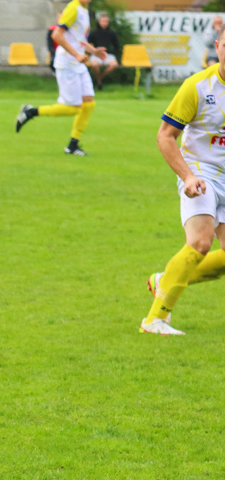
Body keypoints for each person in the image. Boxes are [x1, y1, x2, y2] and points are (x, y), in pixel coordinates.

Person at [140, 28, 225, 336]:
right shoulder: (198, 86)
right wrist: (187, 176)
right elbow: (165, 136)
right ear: (217, 47)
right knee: (201, 242)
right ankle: (154, 320)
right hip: (200, 173)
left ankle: (166, 280)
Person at [15, 0, 107, 156]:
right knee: (72, 108)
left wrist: (93, 51)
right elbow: (56, 35)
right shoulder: (73, 8)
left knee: (89, 104)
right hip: (67, 64)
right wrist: (76, 54)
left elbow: (79, 38)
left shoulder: (83, 9)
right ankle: (31, 112)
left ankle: (72, 145)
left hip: (78, 64)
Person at [87, 13, 120, 90]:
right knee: (94, 65)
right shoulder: (93, 33)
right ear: (99, 22)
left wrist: (111, 53)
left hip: (108, 55)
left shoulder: (112, 33)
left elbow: (117, 46)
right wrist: (93, 52)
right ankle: (99, 81)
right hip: (96, 54)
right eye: (103, 21)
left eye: (107, 21)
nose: (105, 23)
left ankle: (99, 79)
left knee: (114, 65)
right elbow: (87, 44)